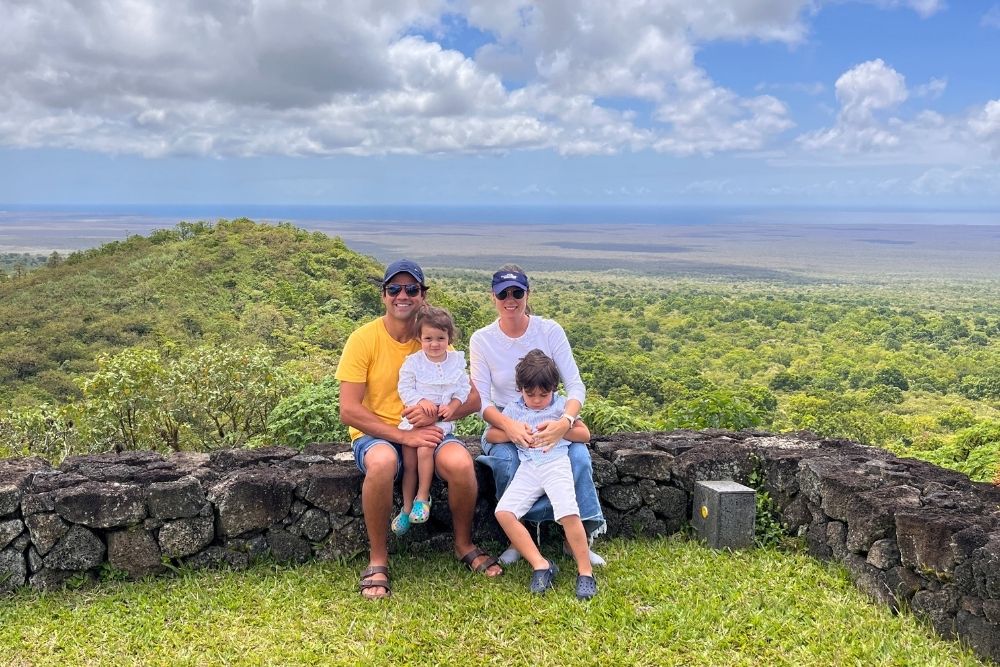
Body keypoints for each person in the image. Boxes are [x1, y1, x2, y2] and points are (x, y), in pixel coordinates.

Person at [335, 259, 502, 600]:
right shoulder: (363, 340)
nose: (403, 295)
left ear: (422, 296)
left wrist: (445, 411)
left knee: (460, 464)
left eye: (411, 289)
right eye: (394, 289)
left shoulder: (433, 339)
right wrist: (403, 435)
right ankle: (378, 559)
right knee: (382, 463)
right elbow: (349, 410)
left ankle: (463, 544)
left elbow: (471, 397)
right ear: (383, 295)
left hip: (431, 429)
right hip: (379, 433)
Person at [469, 265, 605, 566]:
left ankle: (578, 537)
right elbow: (481, 400)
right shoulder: (482, 339)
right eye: (503, 293)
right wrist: (510, 425)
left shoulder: (549, 330)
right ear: (493, 296)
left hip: (554, 416)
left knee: (579, 459)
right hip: (505, 419)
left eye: (517, 292)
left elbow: (575, 386)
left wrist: (564, 423)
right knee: (508, 461)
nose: (510, 299)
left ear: (527, 294)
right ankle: (520, 537)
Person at [491, 349, 598, 599]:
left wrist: (560, 430)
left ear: (553, 389)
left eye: (543, 394)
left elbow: (585, 434)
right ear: (520, 389)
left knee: (568, 513)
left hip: (556, 463)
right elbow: (491, 435)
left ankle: (585, 571)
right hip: (529, 467)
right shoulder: (514, 409)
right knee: (504, 512)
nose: (537, 400)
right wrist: (515, 433)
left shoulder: (561, 406)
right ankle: (541, 564)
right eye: (531, 394)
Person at [392, 305, 472, 536]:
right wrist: (421, 400)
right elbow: (405, 388)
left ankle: (422, 498)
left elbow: (462, 389)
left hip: (438, 423)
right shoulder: (414, 362)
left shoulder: (455, 361)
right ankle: (406, 509)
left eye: (440, 338)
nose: (434, 344)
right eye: (428, 338)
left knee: (425, 450)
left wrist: (453, 406)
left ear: (449, 337)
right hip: (415, 419)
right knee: (409, 463)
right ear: (419, 338)